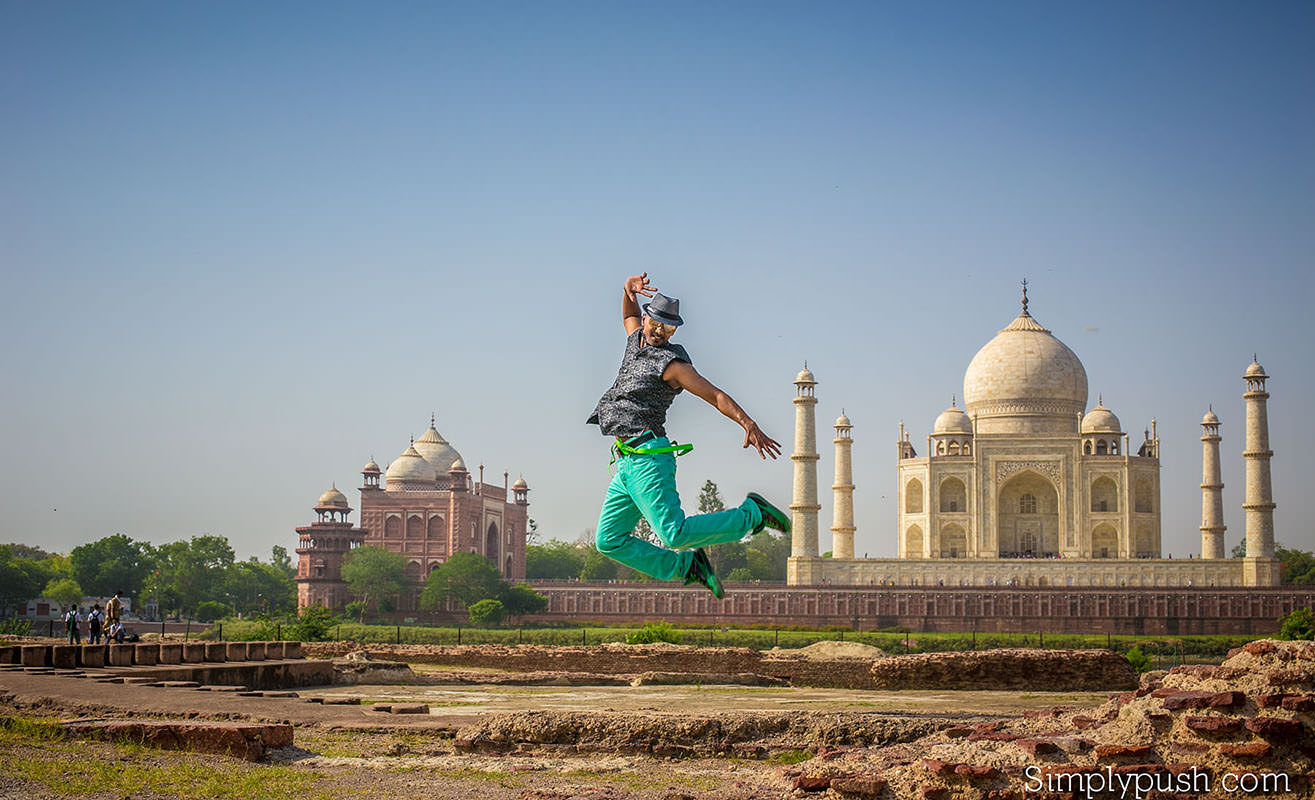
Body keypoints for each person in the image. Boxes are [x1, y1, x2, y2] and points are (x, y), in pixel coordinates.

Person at [586, 273, 790, 598]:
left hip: (648, 457)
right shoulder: (635, 340)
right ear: (646, 319)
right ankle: (687, 567)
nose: (659, 333)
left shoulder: (673, 364)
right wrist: (628, 289)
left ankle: (752, 514)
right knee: (609, 539)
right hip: (625, 462)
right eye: (656, 325)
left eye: (668, 329)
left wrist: (746, 421)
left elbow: (715, 395)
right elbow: (627, 314)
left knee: (674, 534)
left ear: (674, 331)